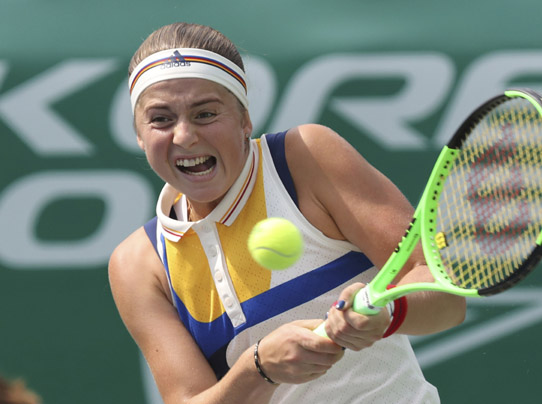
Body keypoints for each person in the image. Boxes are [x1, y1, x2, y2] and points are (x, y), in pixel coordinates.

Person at [108, 22, 466, 404]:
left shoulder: (306, 158)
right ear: (139, 134)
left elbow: (446, 299)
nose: (184, 136)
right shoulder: (138, 264)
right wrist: (259, 368)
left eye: (205, 114)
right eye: (160, 119)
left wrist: (387, 313)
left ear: (245, 119)